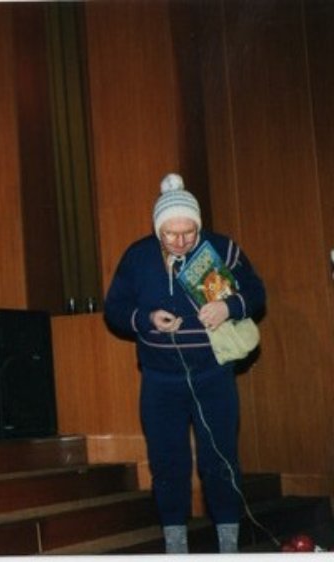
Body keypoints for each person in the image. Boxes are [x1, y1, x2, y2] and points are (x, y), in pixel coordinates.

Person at [103, 173, 265, 554]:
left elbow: (257, 292)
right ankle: (176, 547)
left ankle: (229, 547)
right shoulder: (138, 256)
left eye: (188, 233)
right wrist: (146, 319)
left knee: (220, 460)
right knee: (167, 465)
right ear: (157, 228)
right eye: (170, 234)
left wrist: (229, 307)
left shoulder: (220, 249)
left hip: (213, 375)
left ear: (199, 225)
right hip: (159, 381)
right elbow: (114, 309)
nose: (180, 242)